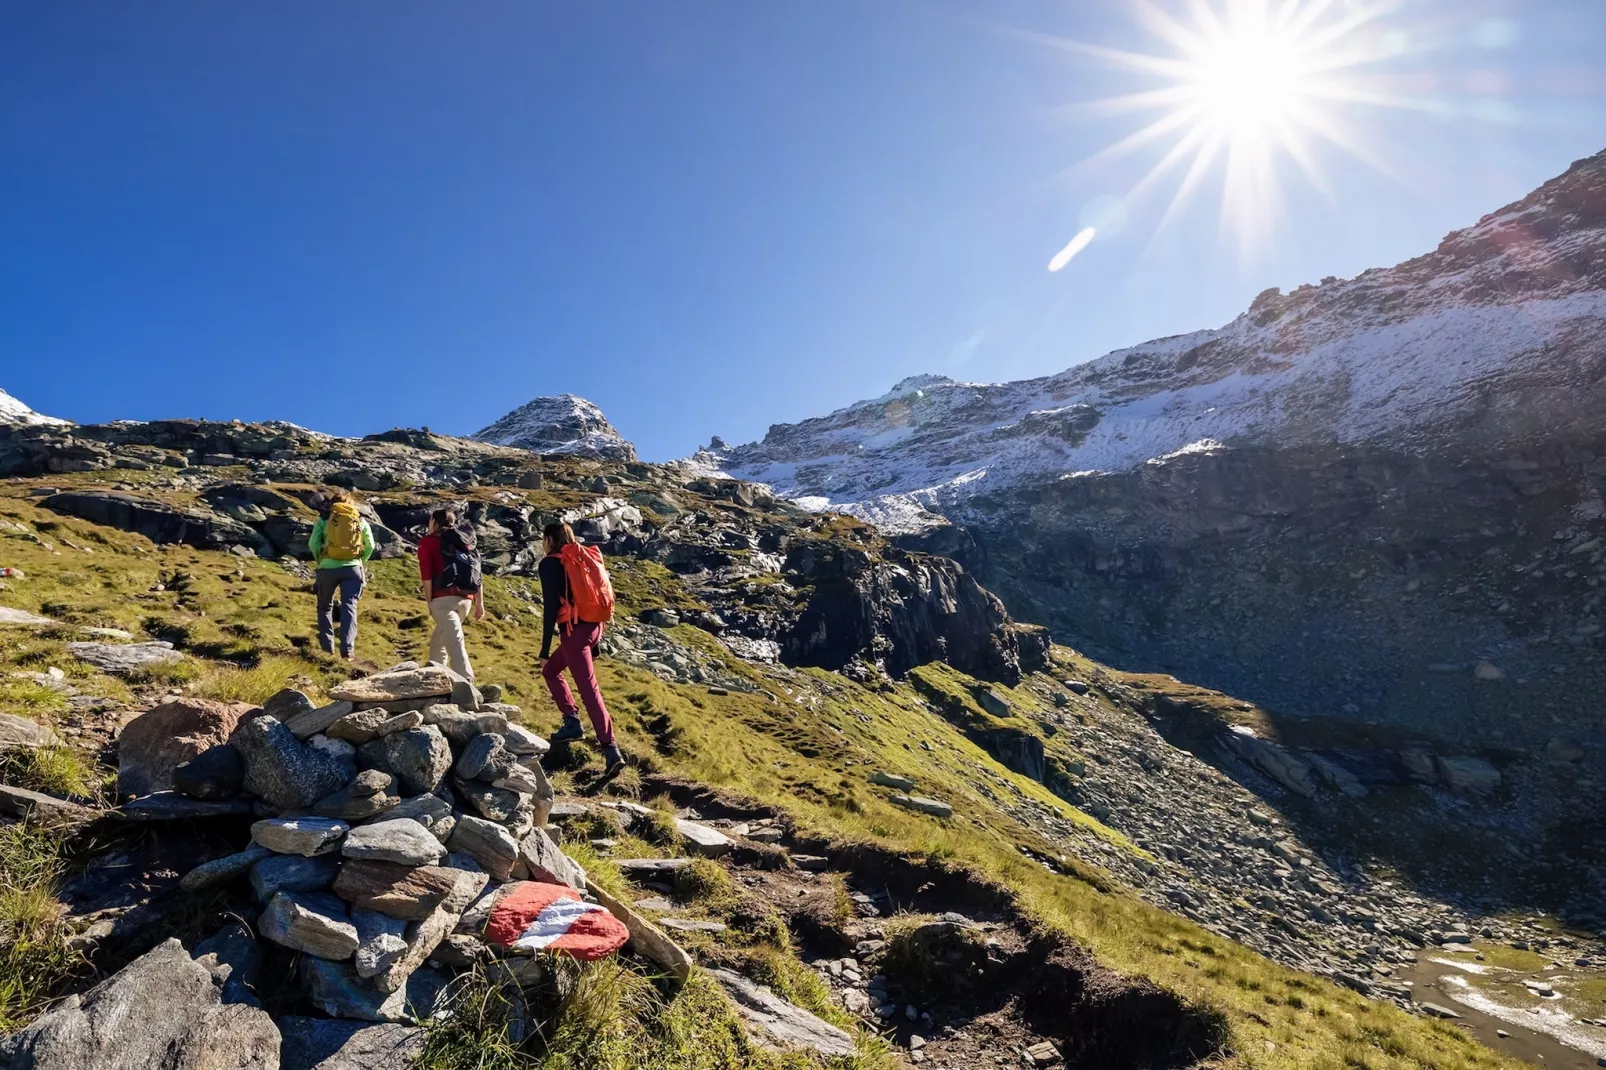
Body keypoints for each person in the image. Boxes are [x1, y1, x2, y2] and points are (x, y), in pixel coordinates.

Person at [539, 521, 623, 774]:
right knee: (552, 671)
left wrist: (543, 650)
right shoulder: (581, 558)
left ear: (549, 539)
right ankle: (572, 722)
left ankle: (611, 749)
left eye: (543, 539)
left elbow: (550, 610)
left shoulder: (551, 563)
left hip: (575, 633)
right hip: (594, 626)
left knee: (589, 690)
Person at [416, 507, 484, 681]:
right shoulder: (465, 541)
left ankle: (466, 681)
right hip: (466, 600)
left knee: (455, 642)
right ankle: (435, 678)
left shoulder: (428, 541)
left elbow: (427, 574)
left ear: (434, 522)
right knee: (439, 643)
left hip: (443, 600)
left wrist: (430, 601)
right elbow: (476, 572)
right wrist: (479, 603)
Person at [307, 489, 374, 660]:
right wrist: (360, 560)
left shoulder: (324, 519)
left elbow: (313, 543)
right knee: (349, 606)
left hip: (327, 568)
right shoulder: (359, 519)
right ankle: (348, 651)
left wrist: (321, 561)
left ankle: (327, 649)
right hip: (353, 569)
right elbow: (371, 545)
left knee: (324, 607)